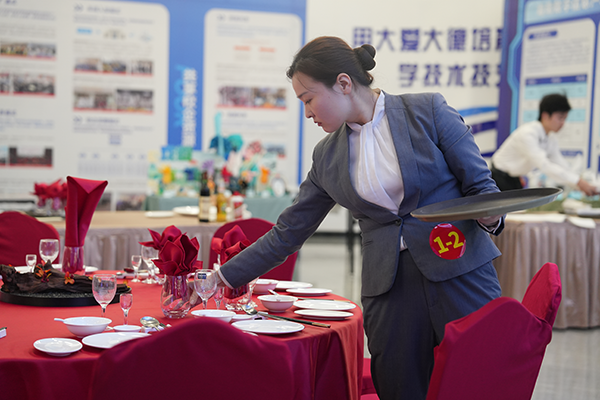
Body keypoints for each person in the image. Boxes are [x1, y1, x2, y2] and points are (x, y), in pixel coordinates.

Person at [216, 36, 504, 400]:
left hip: (459, 268)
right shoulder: (327, 156)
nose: (307, 113)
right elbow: (288, 232)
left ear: (343, 83)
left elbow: (481, 187)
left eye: (308, 99)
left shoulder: (427, 111)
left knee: (479, 378)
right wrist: (220, 278)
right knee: (399, 387)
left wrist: (490, 217)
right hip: (389, 287)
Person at [491, 93, 598, 196]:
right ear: (545, 116)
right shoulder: (528, 134)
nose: (562, 123)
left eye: (565, 119)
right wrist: (579, 182)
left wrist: (581, 185)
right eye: (560, 118)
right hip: (498, 178)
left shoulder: (550, 138)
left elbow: (561, 164)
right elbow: (544, 165)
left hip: (514, 178)